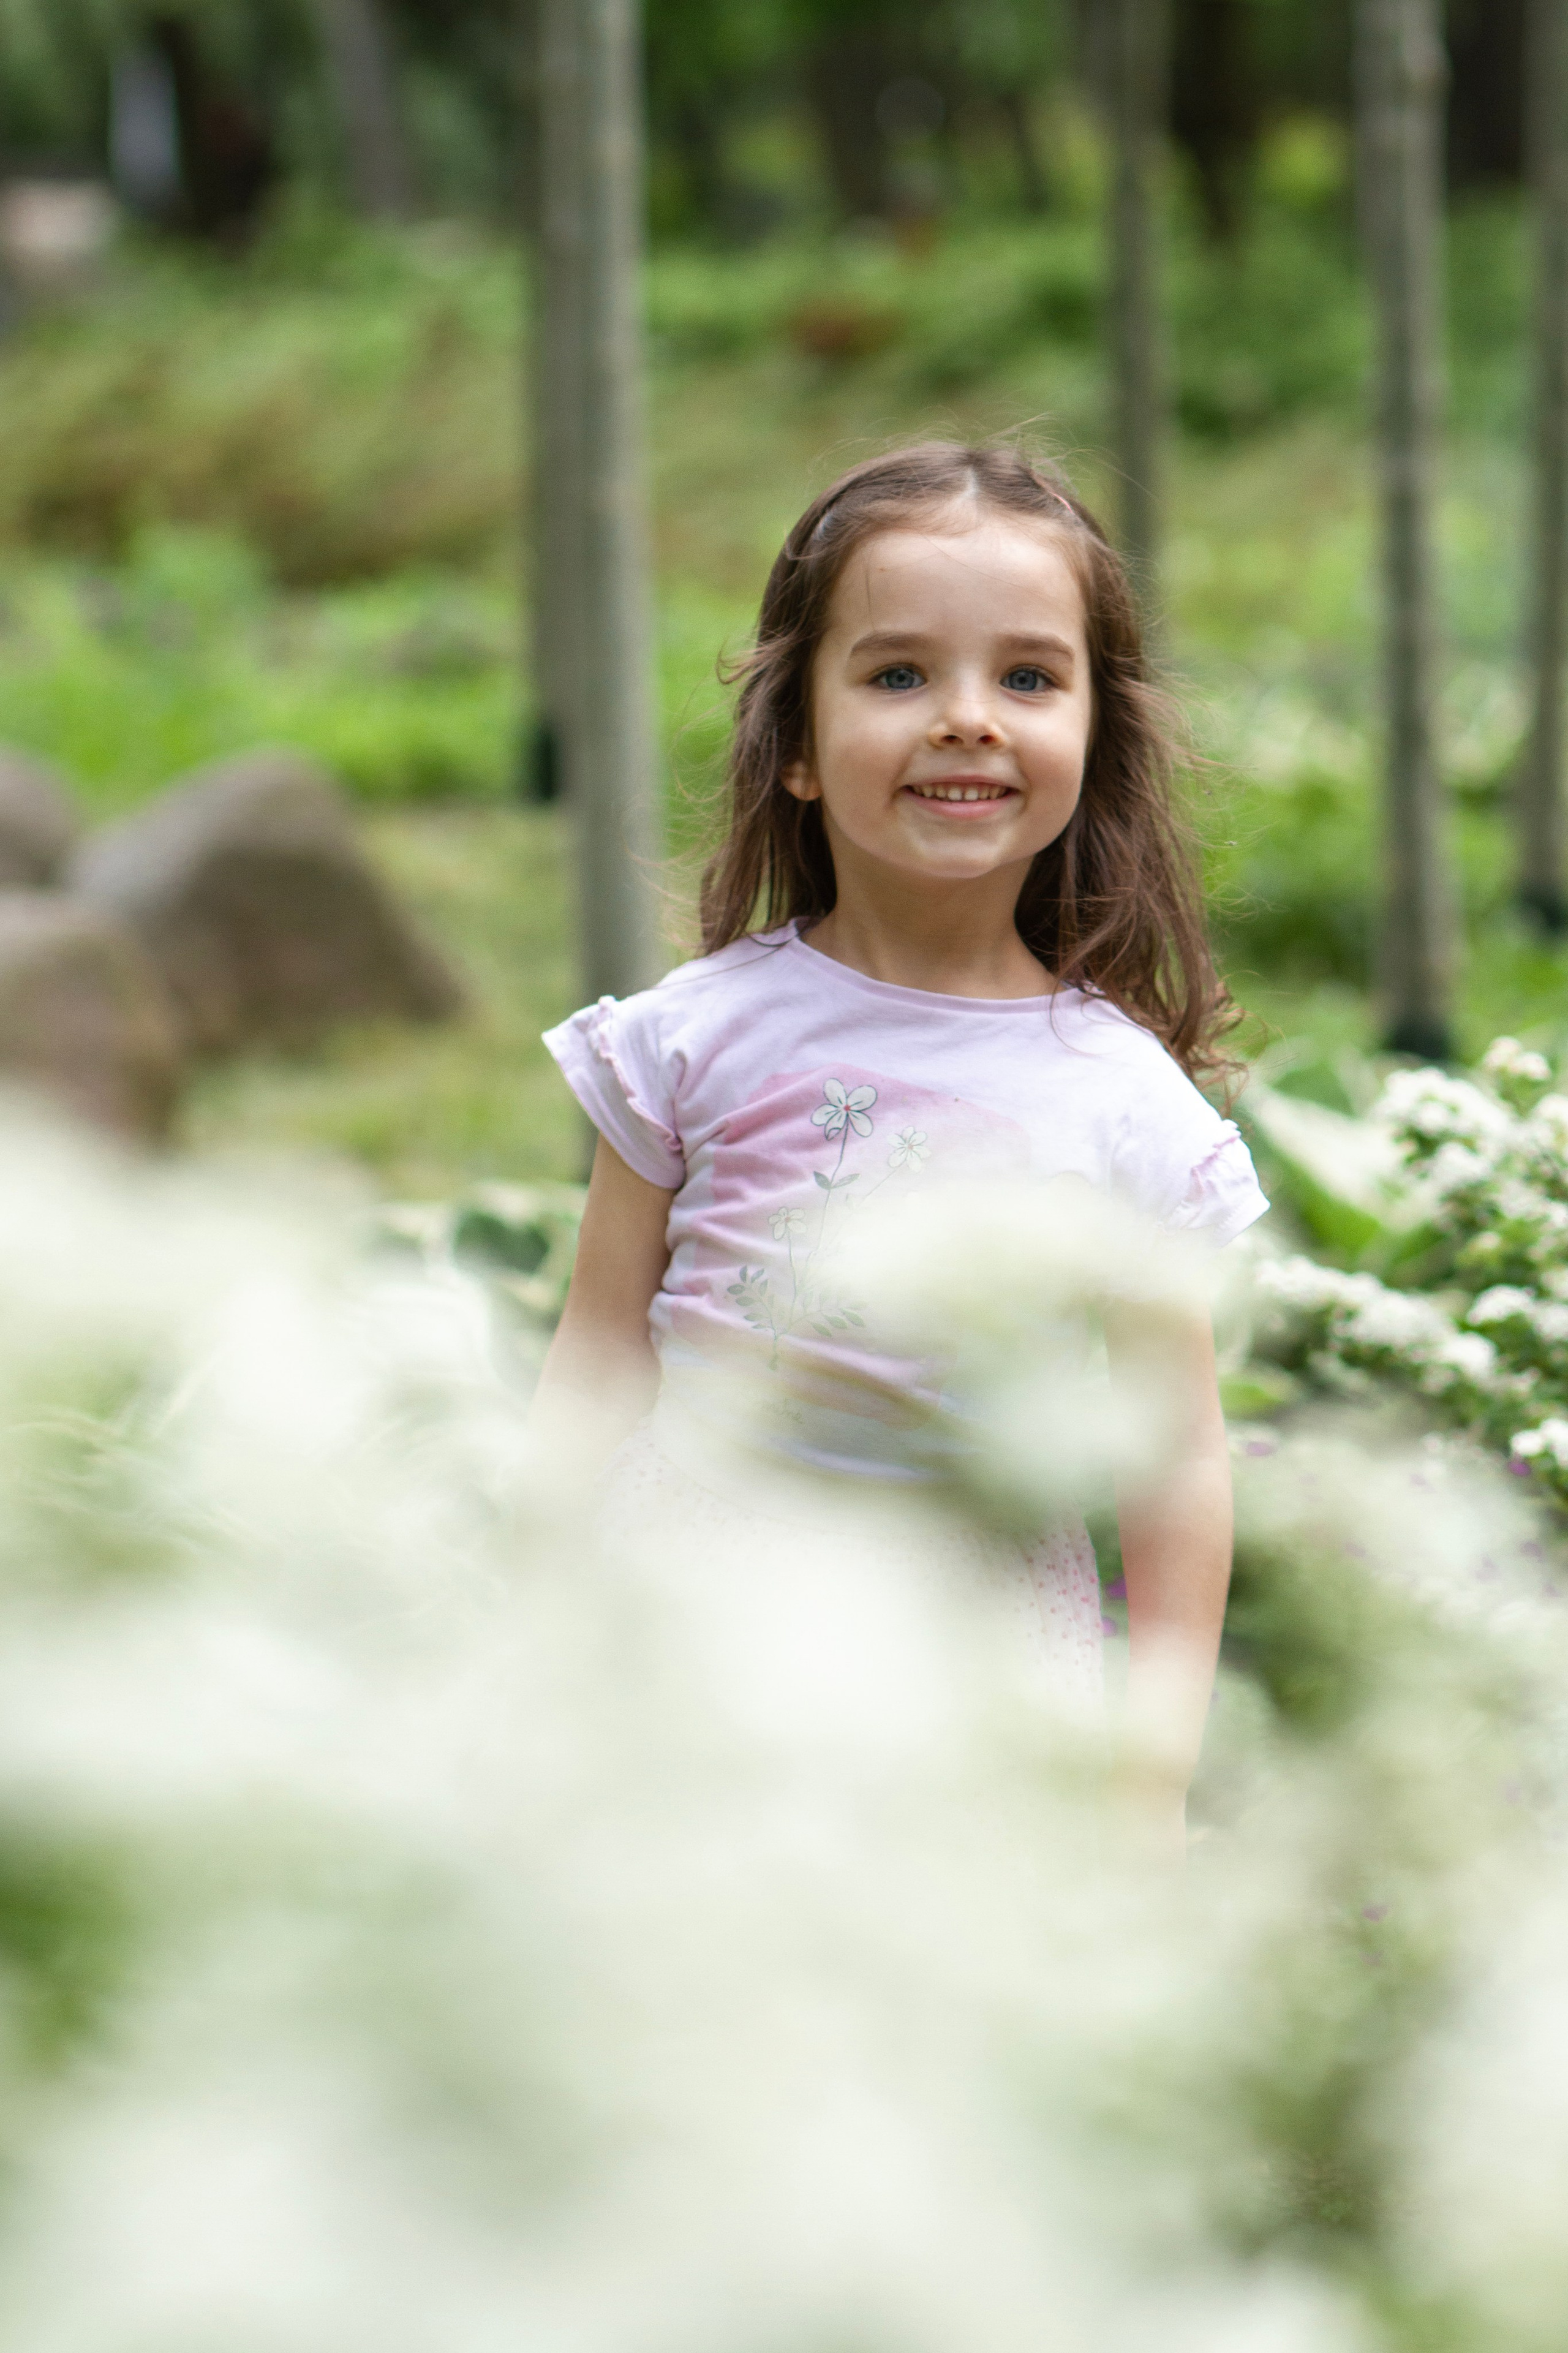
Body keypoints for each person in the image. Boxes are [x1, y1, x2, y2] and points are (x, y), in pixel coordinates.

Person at [534, 442, 1267, 1835]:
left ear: (1093, 736)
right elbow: (600, 1338)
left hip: (974, 1645)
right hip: (689, 1603)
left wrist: (1148, 1772)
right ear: (795, 748)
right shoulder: (692, 1037)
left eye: (1028, 678)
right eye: (896, 674)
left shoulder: (1121, 1105)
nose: (966, 719)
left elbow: (1172, 1455)